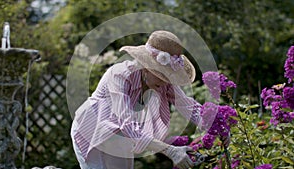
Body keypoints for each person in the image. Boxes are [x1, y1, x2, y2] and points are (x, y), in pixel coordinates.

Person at [71, 30, 230, 169]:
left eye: (168, 75)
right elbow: (127, 123)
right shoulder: (119, 75)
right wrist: (171, 151)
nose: (165, 80)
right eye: (161, 73)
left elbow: (189, 107)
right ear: (145, 65)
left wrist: (215, 127)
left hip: (118, 135)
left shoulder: (164, 82)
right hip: (91, 129)